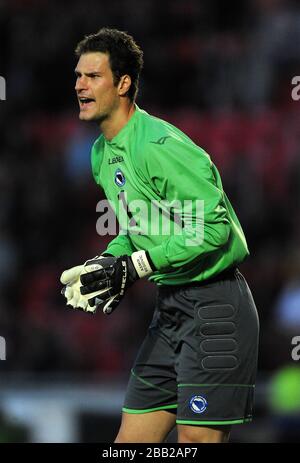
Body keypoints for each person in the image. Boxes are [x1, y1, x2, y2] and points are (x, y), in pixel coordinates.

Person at [60, 27, 259, 443]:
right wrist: (110, 261)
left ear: (124, 83)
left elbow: (214, 229)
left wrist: (136, 265)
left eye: (93, 76)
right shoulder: (101, 153)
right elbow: (136, 229)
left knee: (194, 442)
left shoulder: (160, 146)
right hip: (169, 309)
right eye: (78, 75)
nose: (80, 84)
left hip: (216, 306)